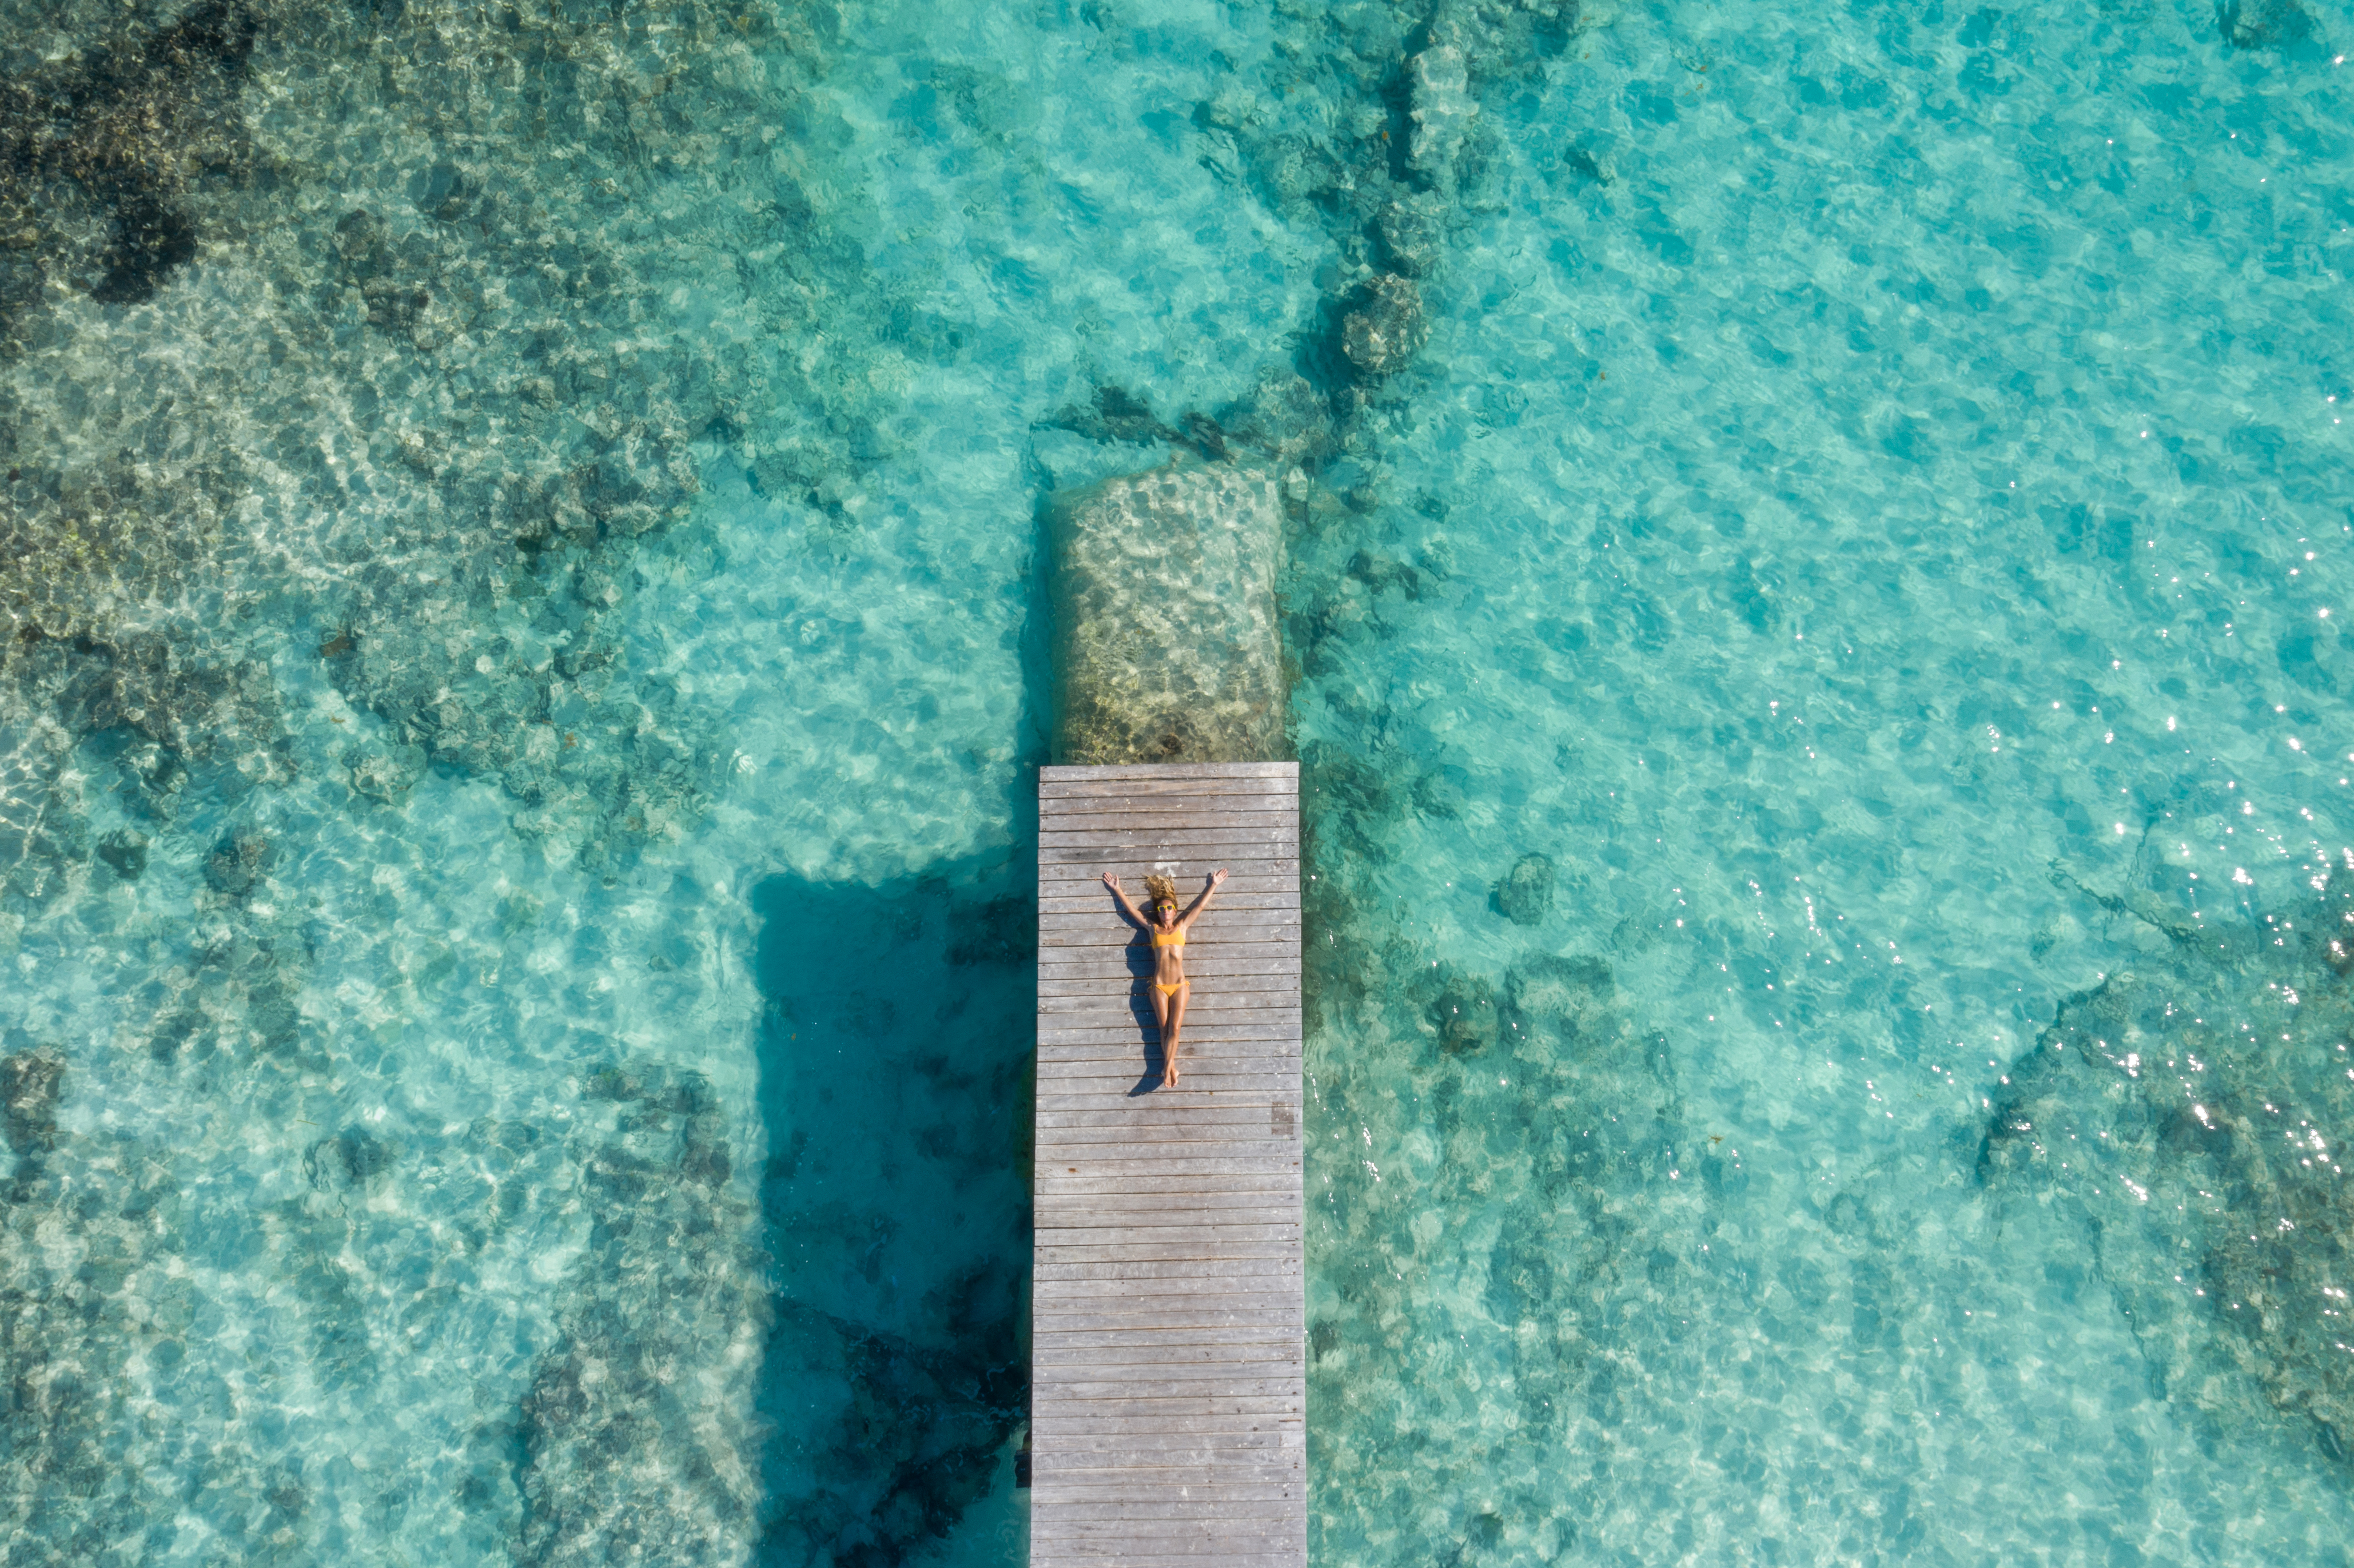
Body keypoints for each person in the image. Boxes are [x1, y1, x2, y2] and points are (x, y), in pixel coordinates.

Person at [1101, 867, 1228, 1086]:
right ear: (1159, 912)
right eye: (1162, 908)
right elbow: (1132, 911)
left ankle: (1168, 1067)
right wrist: (1117, 890)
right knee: (1164, 1029)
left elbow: (1200, 906)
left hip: (1179, 985)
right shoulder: (1153, 929)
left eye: (1170, 907)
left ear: (1175, 910)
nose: (1166, 910)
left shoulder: (1182, 927)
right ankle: (1171, 1067)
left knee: (1176, 1029)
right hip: (1159, 986)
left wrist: (1214, 885)